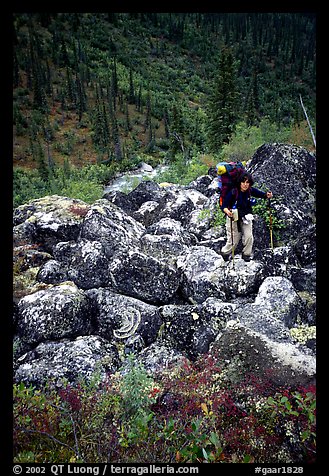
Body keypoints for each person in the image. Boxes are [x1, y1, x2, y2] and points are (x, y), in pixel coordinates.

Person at [220, 172, 273, 262]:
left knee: (249, 236)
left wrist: (266, 195)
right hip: (233, 217)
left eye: (247, 182)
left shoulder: (250, 190)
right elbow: (224, 205)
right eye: (243, 182)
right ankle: (224, 253)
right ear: (239, 182)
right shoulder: (233, 192)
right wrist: (227, 211)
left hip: (246, 216)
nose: (245, 185)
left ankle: (246, 255)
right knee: (234, 241)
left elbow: (261, 194)